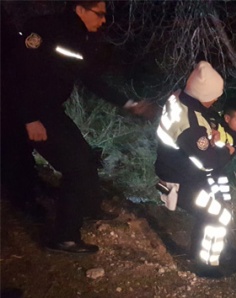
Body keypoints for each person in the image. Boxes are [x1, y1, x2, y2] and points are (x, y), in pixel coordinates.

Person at [1, 1, 155, 255]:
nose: (104, 20)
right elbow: (20, 72)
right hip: (29, 110)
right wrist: (29, 118)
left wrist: (129, 104)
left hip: (49, 109)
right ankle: (64, 237)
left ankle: (90, 208)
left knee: (84, 158)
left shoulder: (80, 37)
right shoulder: (44, 28)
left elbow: (90, 78)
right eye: (100, 14)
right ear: (80, 9)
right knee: (75, 167)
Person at [155, 61, 234, 275]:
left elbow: (191, 138)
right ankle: (206, 266)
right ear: (204, 94)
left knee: (211, 211)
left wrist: (208, 135)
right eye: (214, 95)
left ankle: (200, 252)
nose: (217, 99)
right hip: (181, 181)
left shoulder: (178, 96)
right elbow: (208, 161)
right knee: (218, 216)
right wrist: (225, 151)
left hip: (177, 171)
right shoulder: (190, 124)